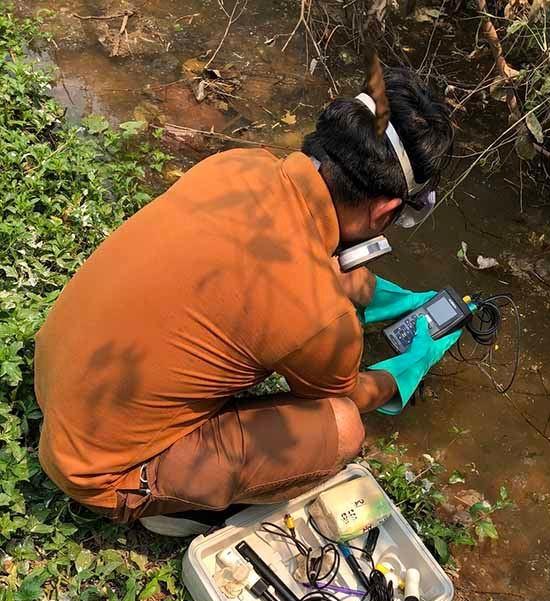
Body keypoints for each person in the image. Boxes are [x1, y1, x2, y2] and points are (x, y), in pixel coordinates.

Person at [34, 67, 458, 537]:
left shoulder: (241, 165)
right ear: (385, 210)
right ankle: (173, 507)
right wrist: (406, 369)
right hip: (99, 473)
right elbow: (347, 396)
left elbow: (308, 270)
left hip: (54, 385)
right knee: (340, 428)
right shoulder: (320, 316)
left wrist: (369, 295)